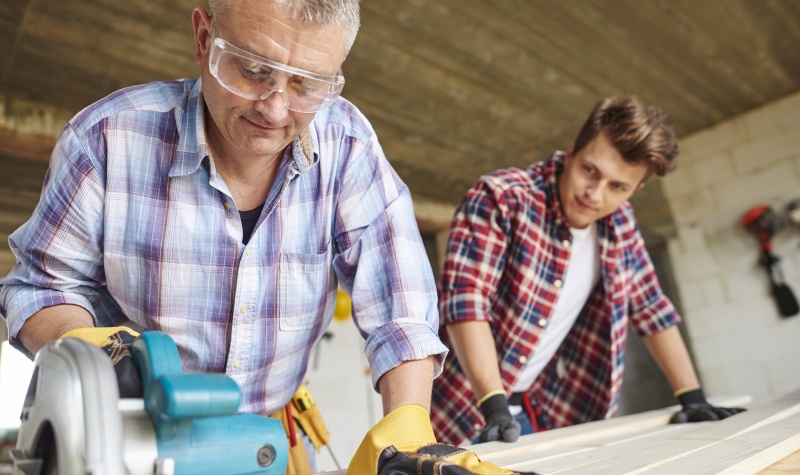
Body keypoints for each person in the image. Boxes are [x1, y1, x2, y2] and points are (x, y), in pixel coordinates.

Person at [0, 1, 535, 473]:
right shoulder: (106, 139)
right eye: (253, 70)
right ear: (203, 39)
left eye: (306, 84)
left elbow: (401, 304)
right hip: (126, 440)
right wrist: (96, 352)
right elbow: (42, 286)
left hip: (271, 442)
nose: (274, 109)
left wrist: (409, 424)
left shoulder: (348, 147)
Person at [430, 96, 745, 446]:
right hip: (457, 407)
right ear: (571, 152)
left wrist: (692, 397)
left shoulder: (621, 224)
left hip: (532, 409)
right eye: (590, 171)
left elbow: (651, 308)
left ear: (636, 189)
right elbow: (466, 301)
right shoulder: (502, 197)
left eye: (617, 187)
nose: (595, 194)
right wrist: (494, 406)